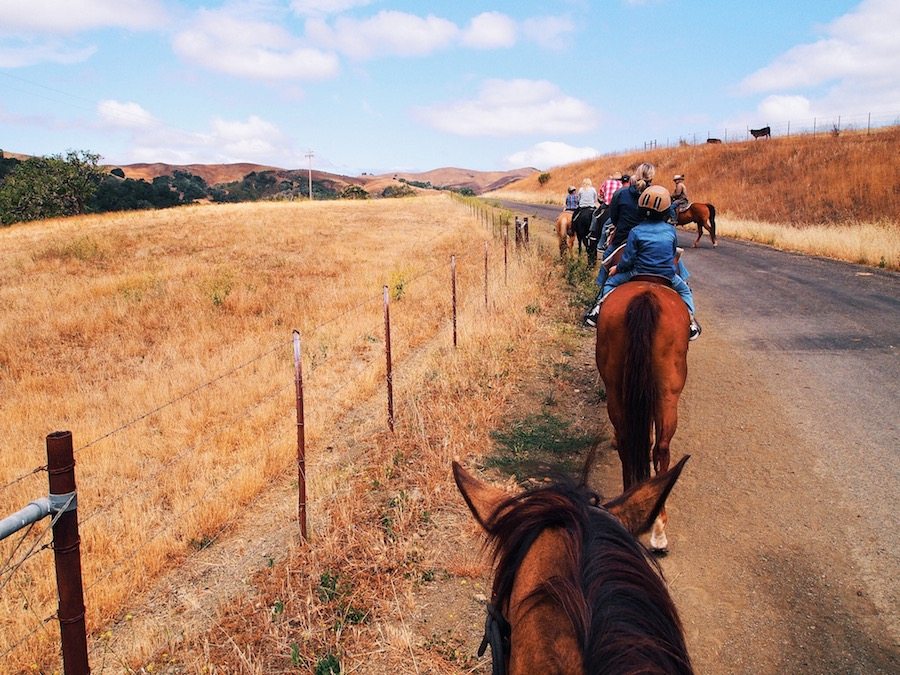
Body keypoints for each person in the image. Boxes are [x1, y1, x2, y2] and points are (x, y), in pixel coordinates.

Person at [592, 185, 701, 340]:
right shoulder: (671, 231)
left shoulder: (636, 231)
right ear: (665, 211)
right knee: (685, 292)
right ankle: (690, 321)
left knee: (610, 284)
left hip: (637, 272)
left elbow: (628, 259)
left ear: (641, 209)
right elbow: (671, 254)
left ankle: (598, 309)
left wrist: (617, 268)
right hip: (667, 276)